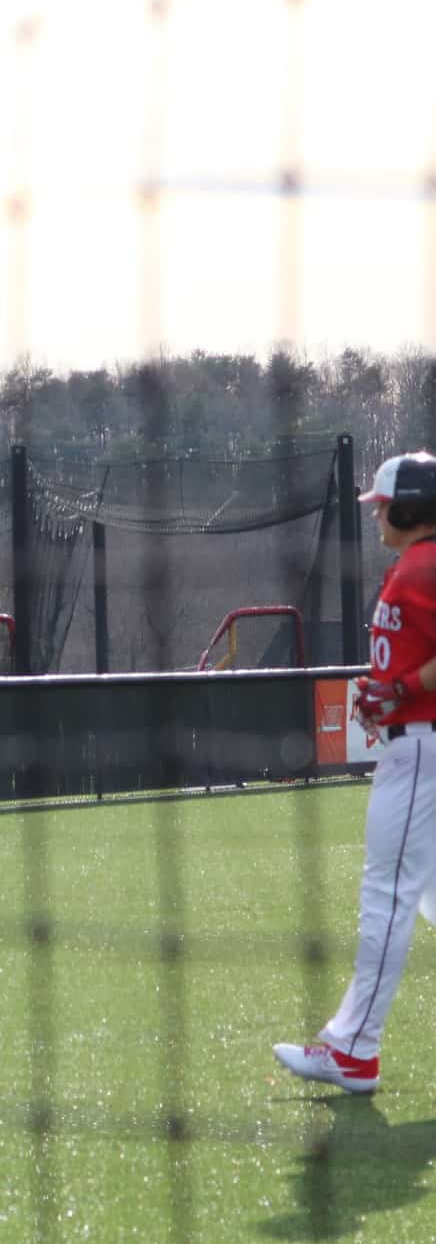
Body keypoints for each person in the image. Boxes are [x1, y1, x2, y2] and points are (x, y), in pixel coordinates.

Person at [278, 451, 436, 1094]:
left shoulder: (426, 565)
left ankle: (352, 1051)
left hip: (422, 753)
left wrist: (398, 690)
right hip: (418, 743)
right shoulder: (419, 564)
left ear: (405, 509)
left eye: (382, 508)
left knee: (387, 895)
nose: (377, 517)